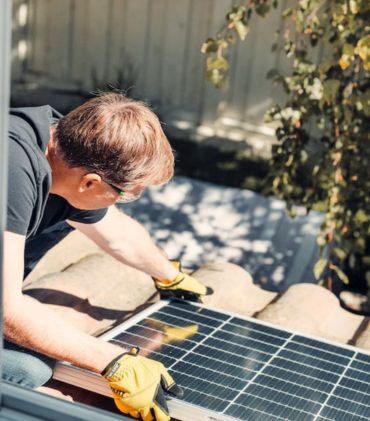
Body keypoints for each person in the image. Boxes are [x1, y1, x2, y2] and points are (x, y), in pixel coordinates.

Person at [3, 92, 212, 420]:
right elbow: (7, 311)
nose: (120, 203)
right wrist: (113, 362)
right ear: (89, 182)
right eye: (125, 195)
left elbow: (116, 234)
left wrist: (169, 275)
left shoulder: (62, 145)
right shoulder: (11, 173)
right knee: (28, 369)